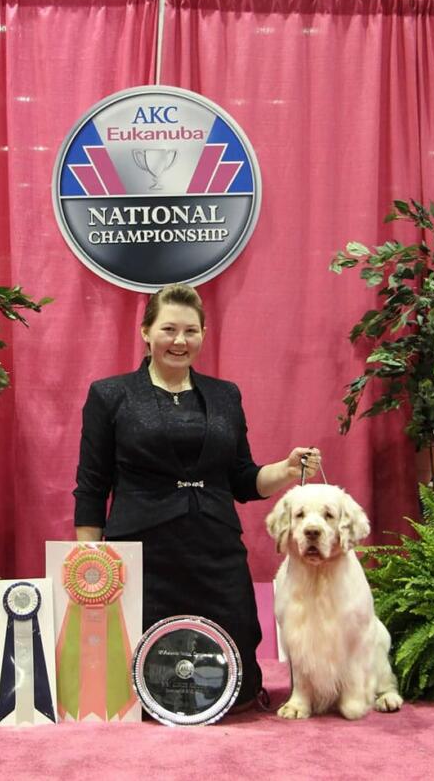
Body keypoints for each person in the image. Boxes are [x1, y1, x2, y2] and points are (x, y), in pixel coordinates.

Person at [73, 283, 320, 712]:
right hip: (142, 552)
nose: (180, 341)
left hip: (215, 548)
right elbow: (93, 484)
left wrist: (286, 468)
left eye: (191, 331)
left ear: (203, 334)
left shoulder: (226, 396)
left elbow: (242, 480)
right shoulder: (109, 395)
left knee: (239, 679)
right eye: (168, 329)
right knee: (139, 687)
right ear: (146, 332)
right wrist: (87, 560)